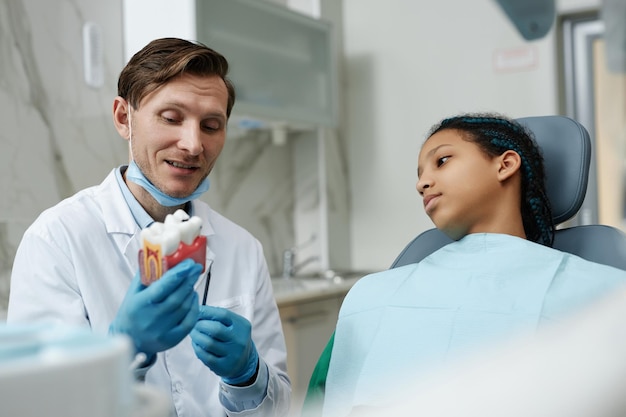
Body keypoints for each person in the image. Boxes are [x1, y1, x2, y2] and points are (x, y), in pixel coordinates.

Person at [7, 38, 291, 417]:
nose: (193, 145)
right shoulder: (57, 240)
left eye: (211, 125)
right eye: (171, 118)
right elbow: (35, 406)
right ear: (124, 118)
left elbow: (280, 408)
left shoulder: (243, 248)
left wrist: (249, 378)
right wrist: (125, 351)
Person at [304, 113, 626, 417]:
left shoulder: (604, 294)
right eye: (419, 175)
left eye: (442, 161)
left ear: (506, 165)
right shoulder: (372, 296)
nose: (422, 183)